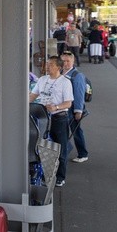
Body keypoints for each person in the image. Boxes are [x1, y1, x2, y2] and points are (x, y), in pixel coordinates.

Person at [29, 56, 73, 187]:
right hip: (42, 118)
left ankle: (60, 176)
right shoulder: (42, 80)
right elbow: (33, 95)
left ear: (59, 67)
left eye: (51, 64)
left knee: (60, 147)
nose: (47, 66)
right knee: (42, 146)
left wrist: (56, 107)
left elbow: (68, 103)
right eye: (47, 64)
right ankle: (44, 174)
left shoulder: (65, 82)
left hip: (58, 118)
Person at [60, 51, 89, 163]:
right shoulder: (61, 73)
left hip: (72, 109)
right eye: (63, 61)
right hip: (64, 108)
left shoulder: (77, 75)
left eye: (68, 61)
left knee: (76, 131)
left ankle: (83, 154)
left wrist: (78, 111)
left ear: (73, 61)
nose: (65, 63)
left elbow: (79, 94)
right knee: (65, 130)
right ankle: (65, 151)